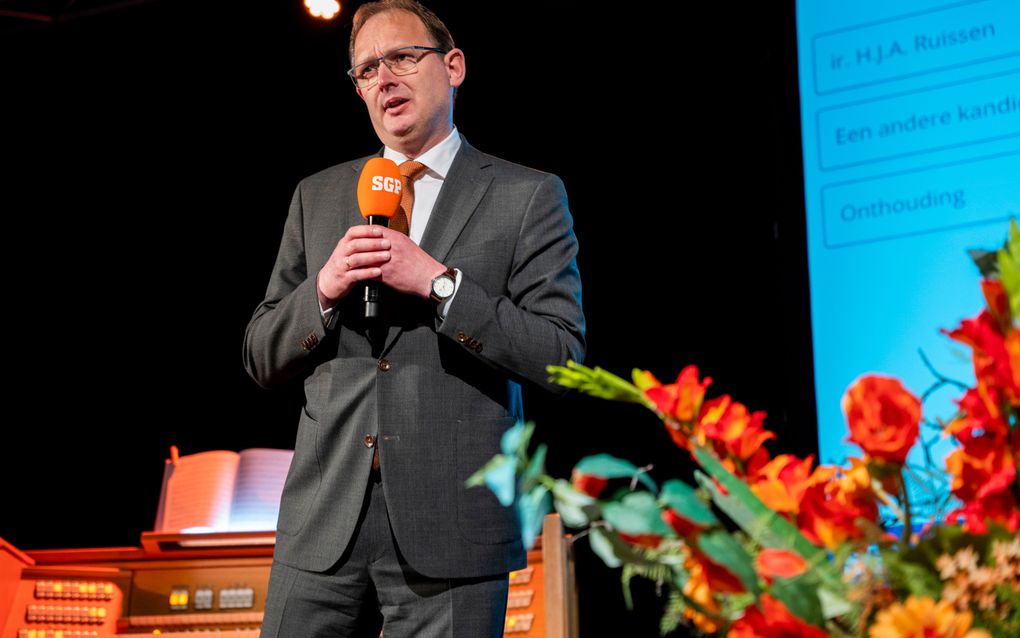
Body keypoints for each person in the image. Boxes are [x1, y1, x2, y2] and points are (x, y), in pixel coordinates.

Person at [243, 1, 585, 636]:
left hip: (453, 530)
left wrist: (442, 284)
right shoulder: (317, 195)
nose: (384, 80)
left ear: (452, 66)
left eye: (402, 58)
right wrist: (322, 289)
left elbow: (561, 358)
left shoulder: (527, 194)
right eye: (366, 70)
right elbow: (261, 354)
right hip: (322, 527)